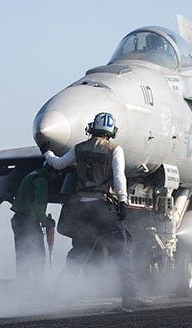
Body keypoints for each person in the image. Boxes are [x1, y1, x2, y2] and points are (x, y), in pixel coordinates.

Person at [43, 112, 153, 310]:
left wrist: (46, 152)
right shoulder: (114, 149)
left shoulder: (79, 148)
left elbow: (57, 164)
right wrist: (122, 201)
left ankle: (58, 294)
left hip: (80, 207)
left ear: (92, 128)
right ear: (111, 132)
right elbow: (120, 177)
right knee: (122, 248)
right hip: (102, 207)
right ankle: (130, 297)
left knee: (80, 251)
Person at [10, 163, 57, 290]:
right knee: (38, 254)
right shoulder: (41, 181)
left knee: (22, 254)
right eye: (56, 173)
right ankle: (39, 285)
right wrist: (46, 222)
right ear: (51, 171)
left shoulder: (31, 175)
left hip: (18, 220)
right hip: (28, 221)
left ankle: (22, 285)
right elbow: (39, 206)